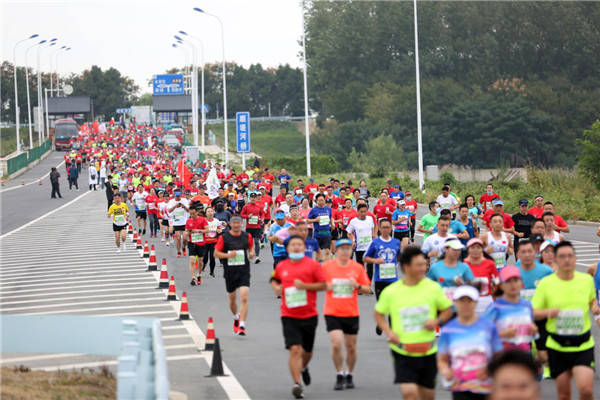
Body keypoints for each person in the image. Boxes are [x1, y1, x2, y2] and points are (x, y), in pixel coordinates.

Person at [374, 246, 453, 400]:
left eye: (424, 264)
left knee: (427, 396)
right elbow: (378, 314)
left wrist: (436, 321)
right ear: (406, 267)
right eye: (419, 265)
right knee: (410, 393)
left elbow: (448, 310)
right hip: (403, 351)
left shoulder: (433, 288)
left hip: (427, 351)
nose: (423, 268)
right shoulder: (392, 291)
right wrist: (389, 332)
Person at [532, 241, 599, 400]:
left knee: (586, 390)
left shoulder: (586, 280)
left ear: (575, 259)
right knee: (564, 395)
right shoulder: (546, 284)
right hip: (557, 346)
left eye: (570, 256)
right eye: (562, 256)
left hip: (583, 345)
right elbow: (533, 312)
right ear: (555, 259)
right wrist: (549, 312)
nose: (567, 260)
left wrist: (595, 308)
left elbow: (592, 301)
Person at [270, 236, 327, 399]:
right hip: (288, 315)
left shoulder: (313, 265)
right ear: (288, 248)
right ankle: (297, 384)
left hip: (309, 315)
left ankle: (303, 368)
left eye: (299, 245)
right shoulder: (281, 266)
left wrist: (305, 286)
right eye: (293, 245)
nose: (295, 247)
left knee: (307, 352)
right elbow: (274, 280)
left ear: (304, 248)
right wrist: (277, 287)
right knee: (295, 349)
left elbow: (323, 285)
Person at [438, 285, 503, 400]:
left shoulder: (488, 327)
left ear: (476, 303)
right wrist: (445, 370)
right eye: (461, 301)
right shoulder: (448, 330)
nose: (465, 305)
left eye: (469, 301)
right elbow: (442, 360)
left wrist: (490, 369)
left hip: (485, 386)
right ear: (455, 303)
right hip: (460, 386)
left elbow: (499, 355)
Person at [322, 238, 372, 390]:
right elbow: (316, 283)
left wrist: (356, 285)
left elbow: (368, 289)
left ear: (351, 251)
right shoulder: (327, 267)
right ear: (336, 251)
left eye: (348, 248)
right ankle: (339, 373)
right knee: (336, 344)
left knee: (351, 347)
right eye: (341, 248)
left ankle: (349, 373)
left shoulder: (357, 268)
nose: (345, 251)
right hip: (332, 311)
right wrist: (326, 285)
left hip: (351, 312)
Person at [214, 216, 255, 336]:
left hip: (244, 271)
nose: (236, 225)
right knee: (232, 300)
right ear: (230, 224)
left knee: (244, 298)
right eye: (234, 223)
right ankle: (236, 316)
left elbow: (251, 246)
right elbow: (216, 254)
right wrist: (228, 256)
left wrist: (251, 253)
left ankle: (242, 325)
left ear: (242, 224)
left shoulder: (247, 236)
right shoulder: (224, 237)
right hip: (230, 272)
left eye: (238, 223)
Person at [483, 266, 538, 352]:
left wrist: (533, 330)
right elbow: (483, 332)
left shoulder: (527, 305)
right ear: (501, 285)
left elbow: (531, 326)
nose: (513, 285)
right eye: (508, 281)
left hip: (524, 354)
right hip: (504, 356)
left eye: (516, 280)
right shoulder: (495, 307)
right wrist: (503, 334)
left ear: (521, 283)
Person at [364, 218, 401, 335]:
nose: (386, 230)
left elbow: (400, 257)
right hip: (380, 279)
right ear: (379, 228)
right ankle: (381, 322)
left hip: (393, 279)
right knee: (382, 305)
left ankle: (391, 328)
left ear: (391, 228)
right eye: (383, 227)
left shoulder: (396, 242)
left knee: (393, 305)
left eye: (388, 227)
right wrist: (375, 260)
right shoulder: (375, 243)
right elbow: (365, 258)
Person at [464, 238, 498, 315]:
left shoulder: (490, 264)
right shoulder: (463, 265)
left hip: (486, 301)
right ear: (468, 249)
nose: (475, 250)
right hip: (469, 302)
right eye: (473, 247)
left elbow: (496, 284)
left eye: (478, 247)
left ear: (482, 249)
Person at [346, 203, 376, 280]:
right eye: (361, 212)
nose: (363, 213)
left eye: (365, 211)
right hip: (359, 247)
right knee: (360, 267)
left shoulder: (370, 219)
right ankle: (361, 284)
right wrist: (352, 241)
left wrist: (373, 236)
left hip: (369, 247)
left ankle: (368, 285)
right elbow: (349, 233)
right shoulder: (353, 221)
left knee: (370, 267)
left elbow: (372, 229)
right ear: (358, 211)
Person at [306, 193, 334, 261]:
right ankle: (317, 266)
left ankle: (325, 267)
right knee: (318, 252)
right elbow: (307, 220)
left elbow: (331, 217)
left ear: (325, 200)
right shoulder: (313, 210)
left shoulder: (328, 209)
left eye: (322, 200)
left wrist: (332, 223)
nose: (321, 202)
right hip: (317, 234)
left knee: (327, 252)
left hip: (327, 233)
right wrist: (316, 220)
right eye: (319, 200)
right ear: (316, 201)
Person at [240, 192, 265, 264]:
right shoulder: (246, 206)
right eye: (252, 197)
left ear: (256, 198)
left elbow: (262, 214)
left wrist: (262, 219)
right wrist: (247, 216)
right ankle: (248, 255)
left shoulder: (259, 206)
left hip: (257, 227)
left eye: (254, 197)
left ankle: (257, 257)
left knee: (256, 242)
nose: (253, 199)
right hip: (249, 227)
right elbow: (241, 215)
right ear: (249, 198)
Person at [186, 205, 208, 286]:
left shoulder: (202, 220)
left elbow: (207, 230)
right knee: (192, 260)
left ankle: (199, 275)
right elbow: (186, 232)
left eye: (194, 213)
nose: (192, 215)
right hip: (192, 242)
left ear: (197, 212)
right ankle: (193, 277)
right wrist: (188, 233)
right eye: (191, 214)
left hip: (201, 243)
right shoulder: (188, 221)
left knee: (200, 261)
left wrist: (198, 231)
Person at [167, 190, 190, 257]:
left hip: (184, 222)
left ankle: (183, 247)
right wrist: (175, 206)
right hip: (176, 222)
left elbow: (188, 210)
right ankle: (178, 252)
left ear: (181, 195)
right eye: (176, 196)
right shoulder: (171, 201)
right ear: (174, 195)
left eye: (179, 196)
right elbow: (169, 210)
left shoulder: (184, 200)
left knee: (185, 238)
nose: (177, 197)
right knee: (178, 238)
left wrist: (184, 206)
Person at [203, 206, 222, 278]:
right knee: (205, 257)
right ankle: (204, 265)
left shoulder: (216, 221)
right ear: (206, 213)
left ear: (214, 212)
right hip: (205, 242)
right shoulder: (203, 221)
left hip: (214, 241)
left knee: (212, 257)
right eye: (208, 211)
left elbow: (220, 230)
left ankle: (212, 271)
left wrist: (218, 231)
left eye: (211, 211)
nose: (210, 213)